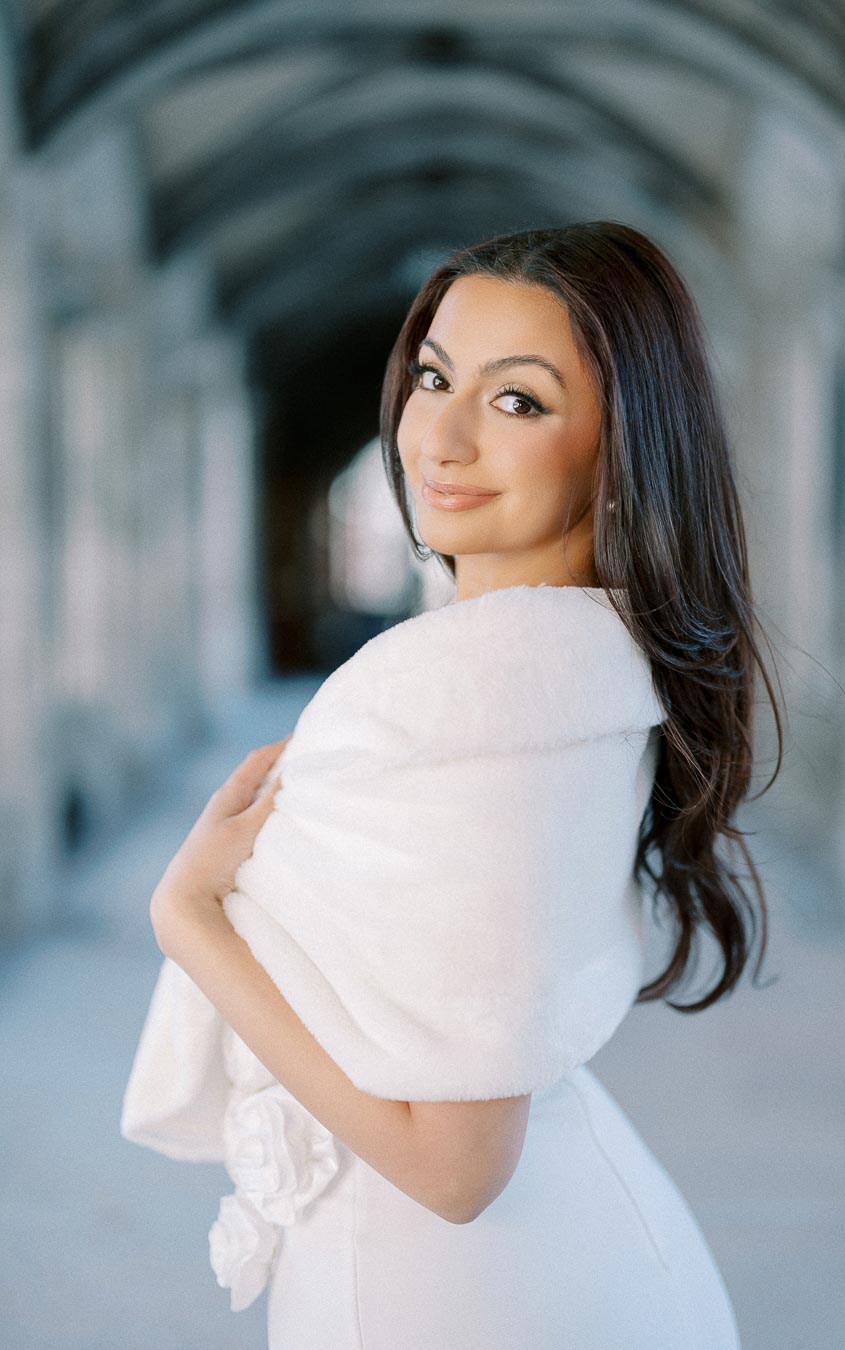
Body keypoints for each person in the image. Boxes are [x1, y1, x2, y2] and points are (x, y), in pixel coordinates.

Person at [122, 220, 783, 1348]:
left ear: (619, 449)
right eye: (434, 377)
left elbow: (456, 1164)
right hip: (540, 1261)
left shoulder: (472, 697)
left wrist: (187, 916)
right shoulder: (574, 663)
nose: (442, 436)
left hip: (455, 1289)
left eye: (518, 401)